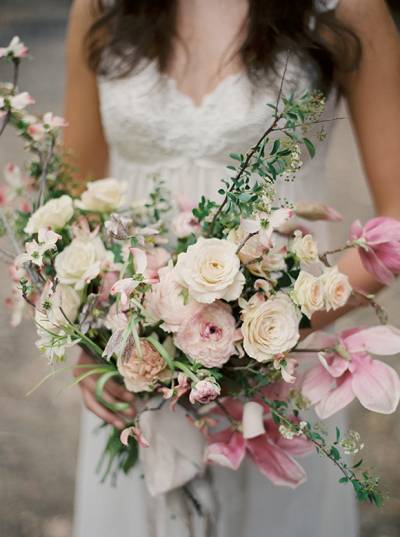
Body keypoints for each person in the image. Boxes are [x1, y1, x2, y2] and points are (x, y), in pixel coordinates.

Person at [64, 1, 400, 536]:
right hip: (134, 371)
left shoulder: (345, 8)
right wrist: (85, 342)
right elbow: (71, 198)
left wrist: (266, 335)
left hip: (283, 375)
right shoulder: (102, 6)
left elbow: (397, 222)